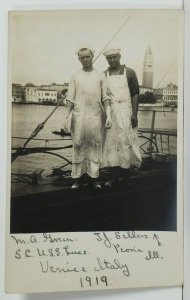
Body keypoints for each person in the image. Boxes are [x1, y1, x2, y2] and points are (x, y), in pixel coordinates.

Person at [63, 46, 112, 190]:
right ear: (79, 59)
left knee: (95, 146)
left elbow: (106, 97)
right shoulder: (75, 76)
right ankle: (77, 179)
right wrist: (66, 116)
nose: (85, 59)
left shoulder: (100, 75)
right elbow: (70, 98)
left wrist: (108, 115)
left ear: (92, 57)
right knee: (78, 145)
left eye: (87, 57)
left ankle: (93, 179)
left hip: (96, 118)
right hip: (79, 117)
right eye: (82, 57)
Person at [101, 48, 142, 187]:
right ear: (106, 59)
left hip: (126, 111)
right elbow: (102, 97)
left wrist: (134, 114)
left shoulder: (129, 72)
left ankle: (126, 178)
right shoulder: (104, 74)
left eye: (114, 57)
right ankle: (113, 178)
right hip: (111, 113)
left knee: (126, 143)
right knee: (112, 145)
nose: (112, 60)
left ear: (119, 56)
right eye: (109, 58)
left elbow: (135, 94)